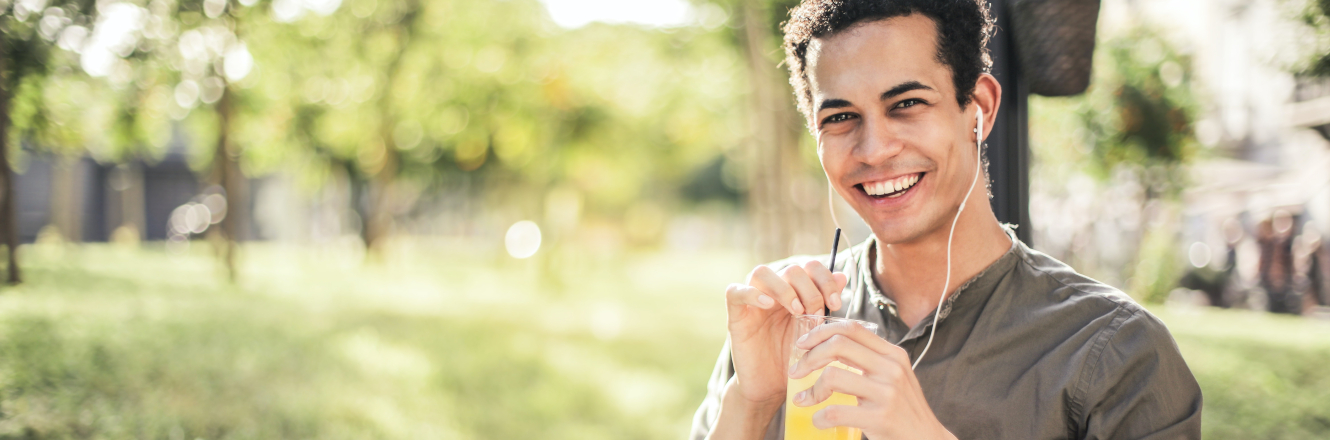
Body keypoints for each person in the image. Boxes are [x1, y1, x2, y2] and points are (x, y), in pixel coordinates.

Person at [689, 1, 1203, 439]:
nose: (874, 150)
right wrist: (751, 405)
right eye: (840, 117)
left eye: (907, 103)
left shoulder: (1117, 352)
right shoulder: (782, 323)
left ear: (979, 107)